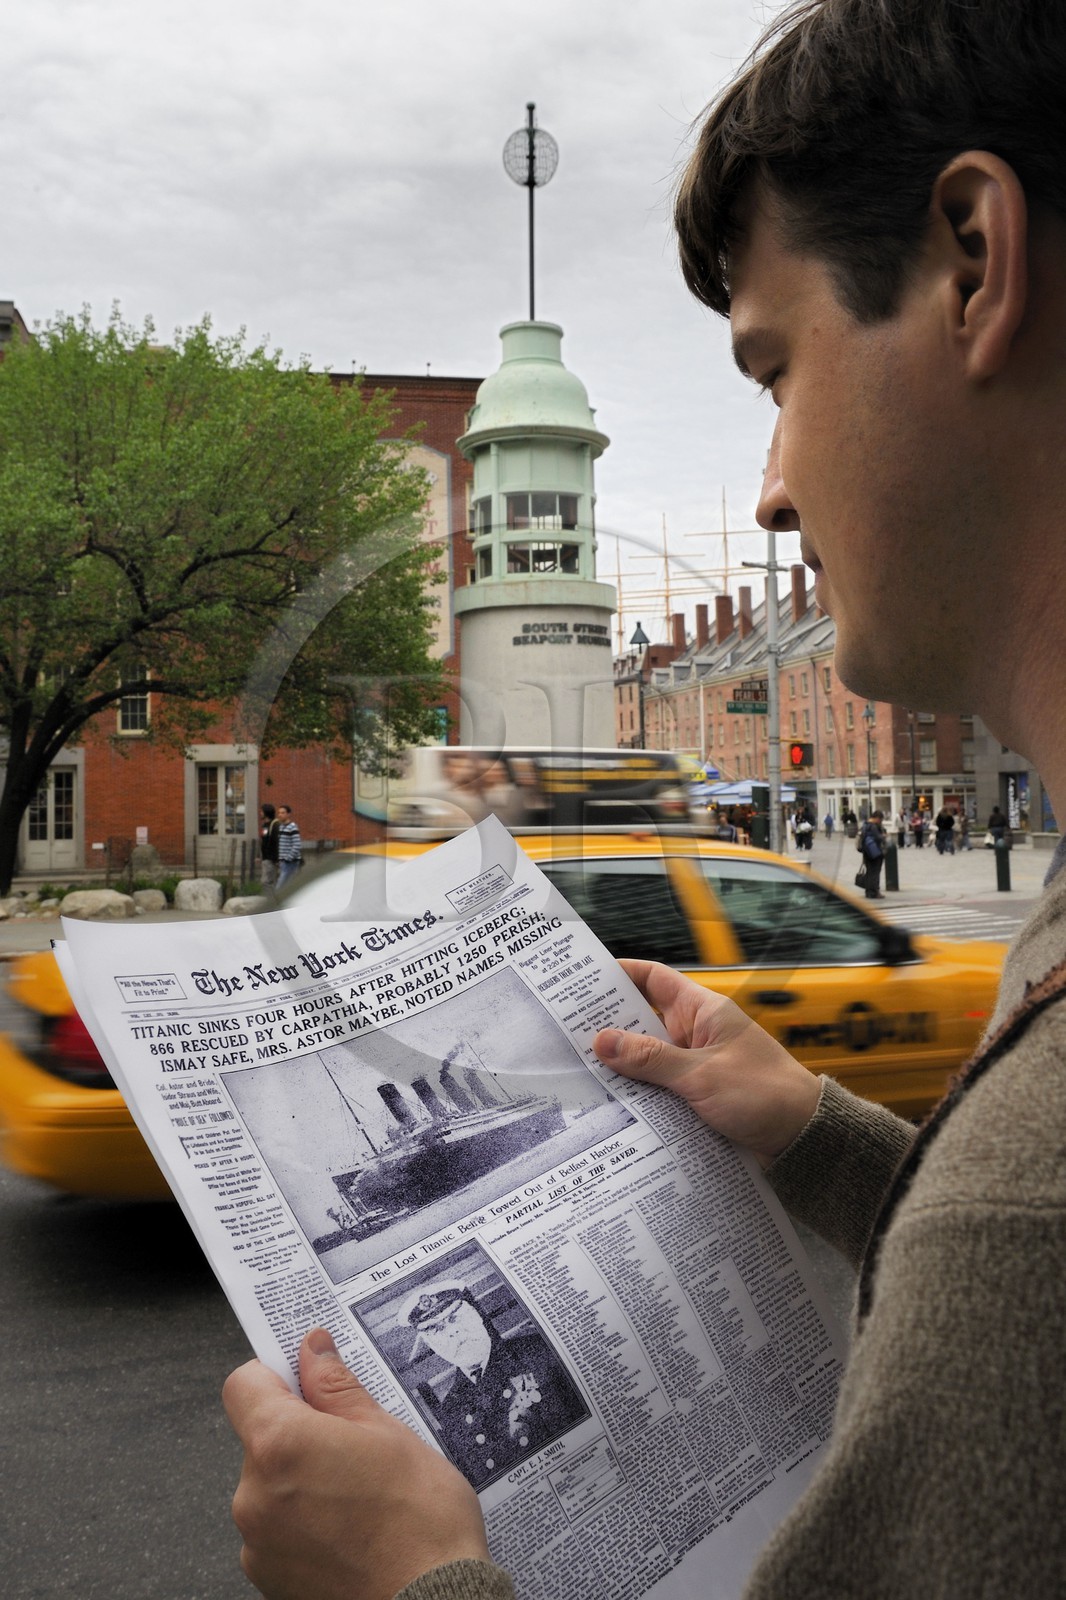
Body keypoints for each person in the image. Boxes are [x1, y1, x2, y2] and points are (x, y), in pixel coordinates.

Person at [221, 4, 1066, 1596]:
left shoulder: (1022, 1206)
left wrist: (414, 1581)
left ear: (971, 258)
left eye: (772, 366)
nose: (766, 484)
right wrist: (817, 1135)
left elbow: (1014, 1262)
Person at [395, 1282, 586, 1491]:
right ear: (429, 1344)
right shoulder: (451, 1410)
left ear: (477, 1314)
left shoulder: (540, 1352)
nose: (452, 1333)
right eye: (436, 1330)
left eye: (454, 1318)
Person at [857, 808, 887, 898]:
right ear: (877, 818)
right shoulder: (873, 826)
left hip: (866, 852)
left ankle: (868, 892)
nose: (880, 821)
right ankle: (875, 891)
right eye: (880, 819)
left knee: (869, 872)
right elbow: (878, 838)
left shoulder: (865, 825)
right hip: (875, 853)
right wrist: (883, 836)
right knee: (875, 872)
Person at [275, 804, 302, 889]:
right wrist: (279, 859)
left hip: (291, 862)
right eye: (279, 813)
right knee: (287, 887)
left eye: (283, 813)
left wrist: (287, 859)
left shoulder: (293, 827)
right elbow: (281, 845)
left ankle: (275, 901)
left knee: (280, 887)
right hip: (283, 862)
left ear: (288, 814)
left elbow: (297, 845)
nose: (280, 815)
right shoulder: (281, 827)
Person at [258, 803, 279, 889]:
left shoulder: (274, 825)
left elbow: (276, 842)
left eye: (262, 812)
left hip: (271, 859)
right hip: (265, 858)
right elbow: (264, 842)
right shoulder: (265, 825)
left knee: (266, 882)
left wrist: (277, 859)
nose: (260, 813)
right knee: (267, 882)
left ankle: (271, 900)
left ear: (266, 812)